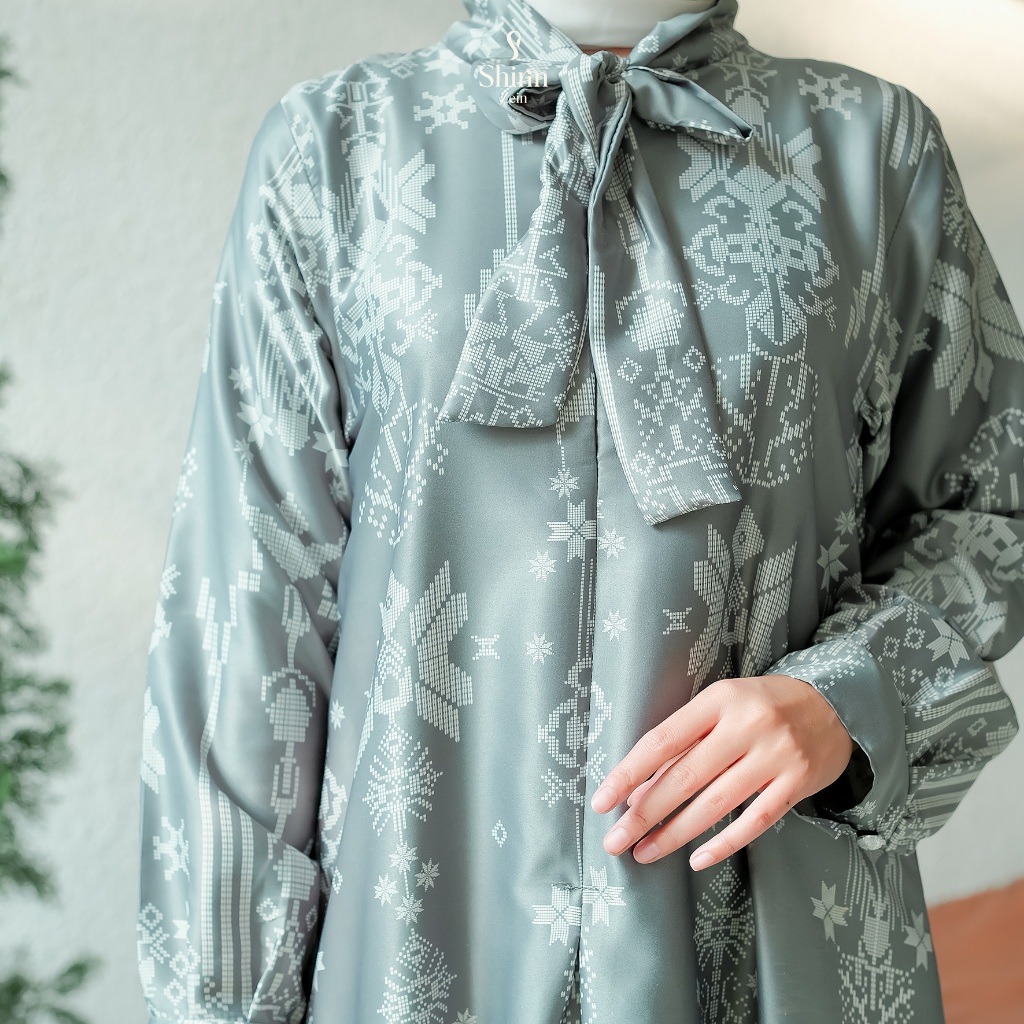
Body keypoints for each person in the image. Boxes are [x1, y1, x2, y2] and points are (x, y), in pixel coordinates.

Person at [136, 0, 1024, 1020]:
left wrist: (844, 696)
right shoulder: (338, 147)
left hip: (772, 937)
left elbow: (990, 504)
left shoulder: (871, 148)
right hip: (419, 936)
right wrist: (226, 999)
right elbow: (244, 609)